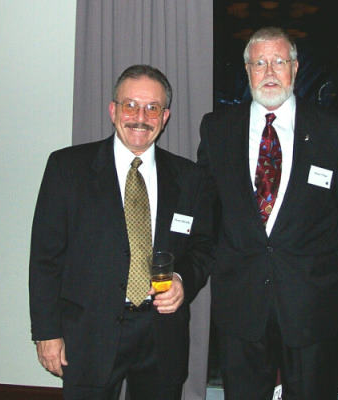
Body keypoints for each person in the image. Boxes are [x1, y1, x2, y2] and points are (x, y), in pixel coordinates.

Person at [29, 64, 212, 399]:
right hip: (89, 333)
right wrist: (46, 332)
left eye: (152, 108)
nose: (140, 117)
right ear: (113, 110)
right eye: (130, 105)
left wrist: (182, 279)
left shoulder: (190, 179)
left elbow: (203, 246)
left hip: (161, 334)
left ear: (165, 117)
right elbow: (45, 258)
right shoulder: (67, 169)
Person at [197, 27, 338, 399]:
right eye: (259, 63)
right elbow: (207, 210)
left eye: (279, 62)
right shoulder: (218, 129)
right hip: (241, 305)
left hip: (310, 306)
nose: (269, 72)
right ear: (247, 70)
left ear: (295, 68)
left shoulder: (335, 129)